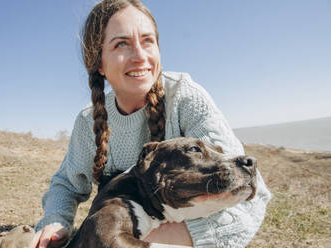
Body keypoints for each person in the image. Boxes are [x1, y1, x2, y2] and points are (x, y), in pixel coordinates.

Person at [31, 0, 272, 247]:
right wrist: (56, 220)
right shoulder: (88, 121)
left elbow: (248, 200)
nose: (140, 56)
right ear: (99, 62)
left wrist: (133, 240)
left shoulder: (185, 98)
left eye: (148, 41)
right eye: (121, 43)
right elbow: (67, 185)